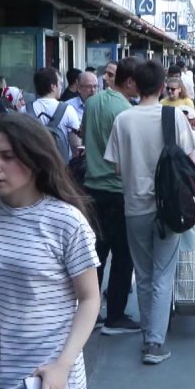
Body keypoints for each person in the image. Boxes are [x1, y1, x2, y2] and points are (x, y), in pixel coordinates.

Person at [0, 113, 100, 389]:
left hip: (48, 381)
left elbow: (90, 299)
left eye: (7, 156)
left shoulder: (66, 221)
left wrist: (62, 365)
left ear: (35, 161)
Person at [104, 59, 195, 365]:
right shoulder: (175, 116)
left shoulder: (123, 119)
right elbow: (189, 159)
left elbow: (117, 167)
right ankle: (155, 343)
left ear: (133, 84)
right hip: (168, 209)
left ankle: (148, 333)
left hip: (134, 207)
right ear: (161, 87)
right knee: (163, 274)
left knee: (142, 274)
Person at [83, 58, 142, 336]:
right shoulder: (127, 111)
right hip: (118, 192)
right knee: (123, 255)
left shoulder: (92, 103)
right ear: (129, 82)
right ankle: (115, 315)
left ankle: (89, 313)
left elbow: (84, 135)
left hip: (91, 190)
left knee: (94, 254)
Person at [30, 67, 83, 160]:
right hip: (60, 166)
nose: (61, 87)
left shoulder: (24, 110)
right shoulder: (68, 110)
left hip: (33, 166)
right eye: (60, 83)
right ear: (53, 86)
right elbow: (76, 146)